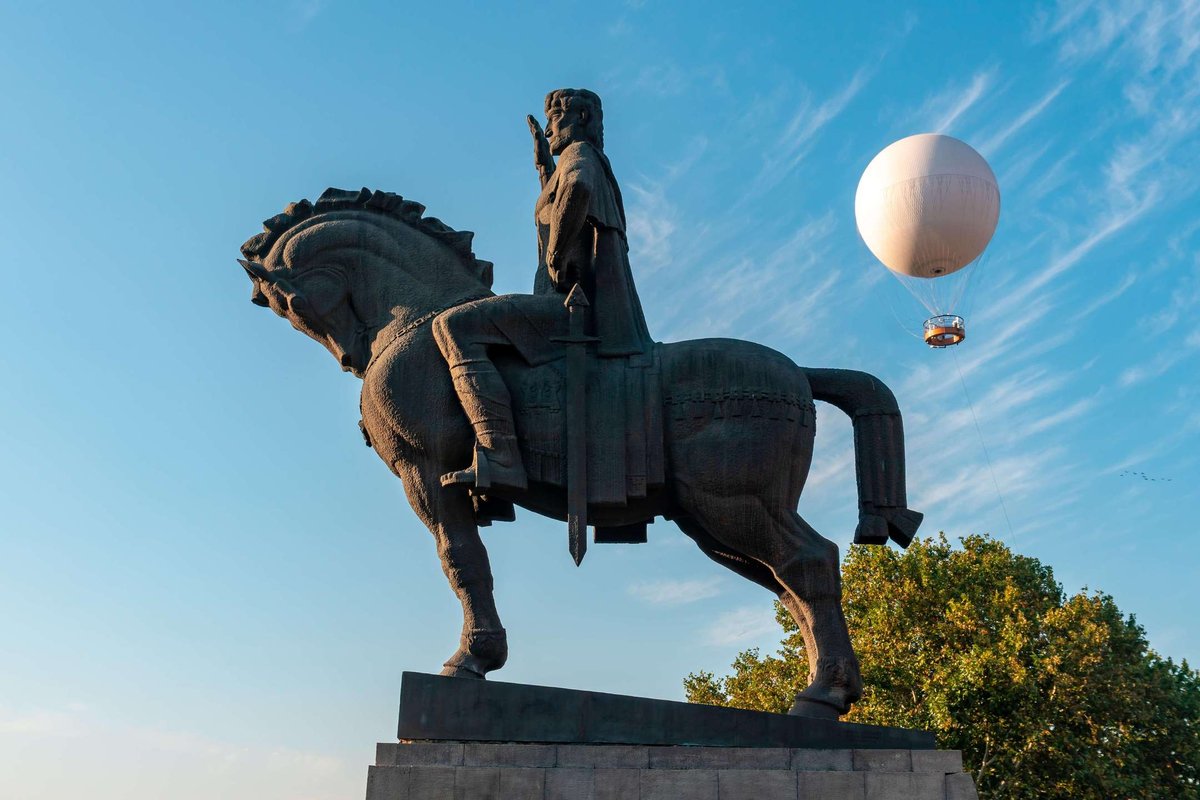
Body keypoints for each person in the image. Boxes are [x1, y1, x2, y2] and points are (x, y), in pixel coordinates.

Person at [432, 88, 653, 492]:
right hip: (570, 305)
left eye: (556, 119)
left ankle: (500, 455)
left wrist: (557, 250)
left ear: (582, 119)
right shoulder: (574, 160)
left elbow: (578, 190)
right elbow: (563, 190)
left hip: (570, 309)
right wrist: (543, 165)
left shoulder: (581, 157)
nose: (550, 128)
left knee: (453, 328)